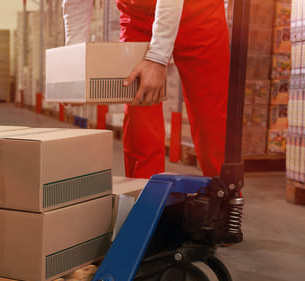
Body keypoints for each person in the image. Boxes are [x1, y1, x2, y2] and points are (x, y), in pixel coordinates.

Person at [62, 0, 230, 178]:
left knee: (211, 117)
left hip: (199, 13)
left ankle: (225, 194)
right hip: (138, 17)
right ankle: (143, 193)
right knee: (140, 112)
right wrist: (75, 59)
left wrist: (157, 58)